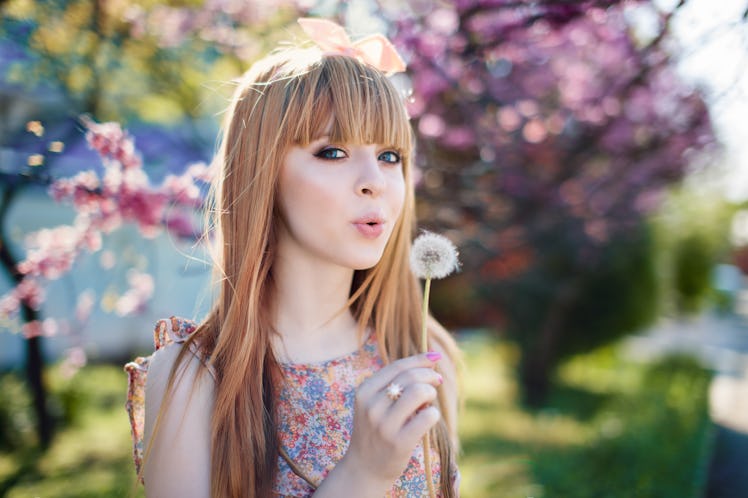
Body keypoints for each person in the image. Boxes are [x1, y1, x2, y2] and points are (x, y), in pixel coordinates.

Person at [125, 18, 461, 498]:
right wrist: (362, 474)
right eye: (333, 151)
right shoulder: (194, 379)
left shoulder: (420, 353)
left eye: (390, 156)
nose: (375, 181)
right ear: (262, 174)